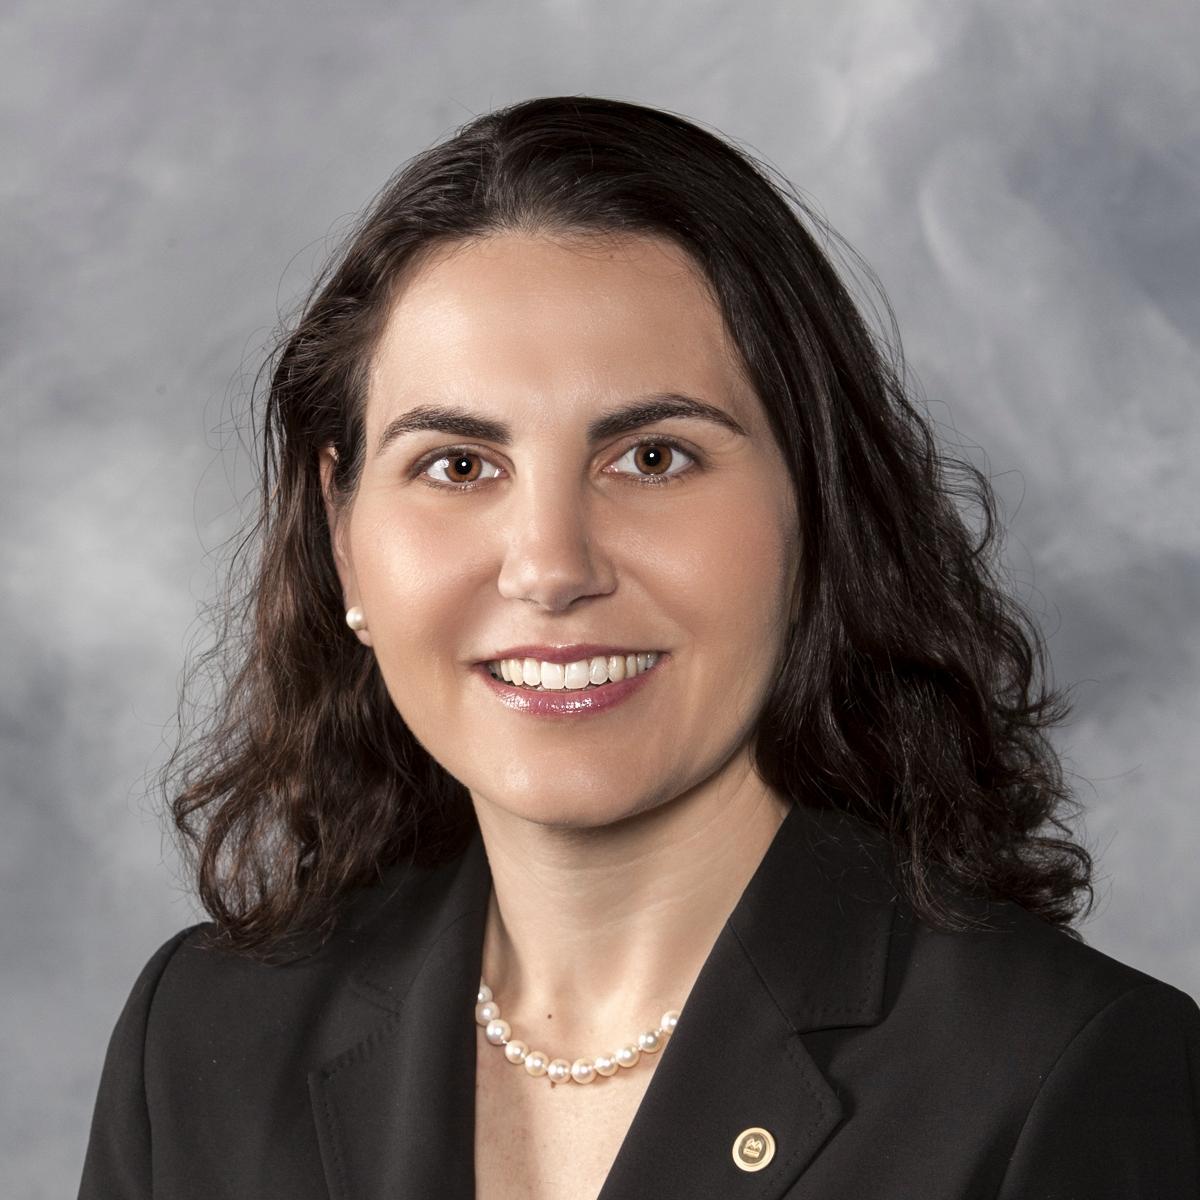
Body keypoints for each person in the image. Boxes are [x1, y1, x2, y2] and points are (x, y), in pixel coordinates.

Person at [78, 95, 1200, 1200]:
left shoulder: (1067, 1076)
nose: (550, 566)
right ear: (343, 537)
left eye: (653, 458)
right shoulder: (202, 1042)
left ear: (817, 507)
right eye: (458, 466)